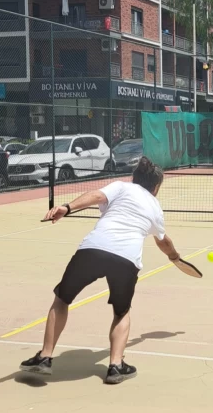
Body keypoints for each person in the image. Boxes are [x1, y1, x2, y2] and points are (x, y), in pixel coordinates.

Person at [19, 156, 182, 384]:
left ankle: (45, 357)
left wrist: (67, 207)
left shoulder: (121, 187)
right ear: (156, 187)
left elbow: (96, 195)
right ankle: (116, 366)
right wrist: (174, 256)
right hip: (126, 259)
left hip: (94, 249)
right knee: (121, 312)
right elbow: (163, 241)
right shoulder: (155, 207)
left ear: (134, 178)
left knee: (62, 299)